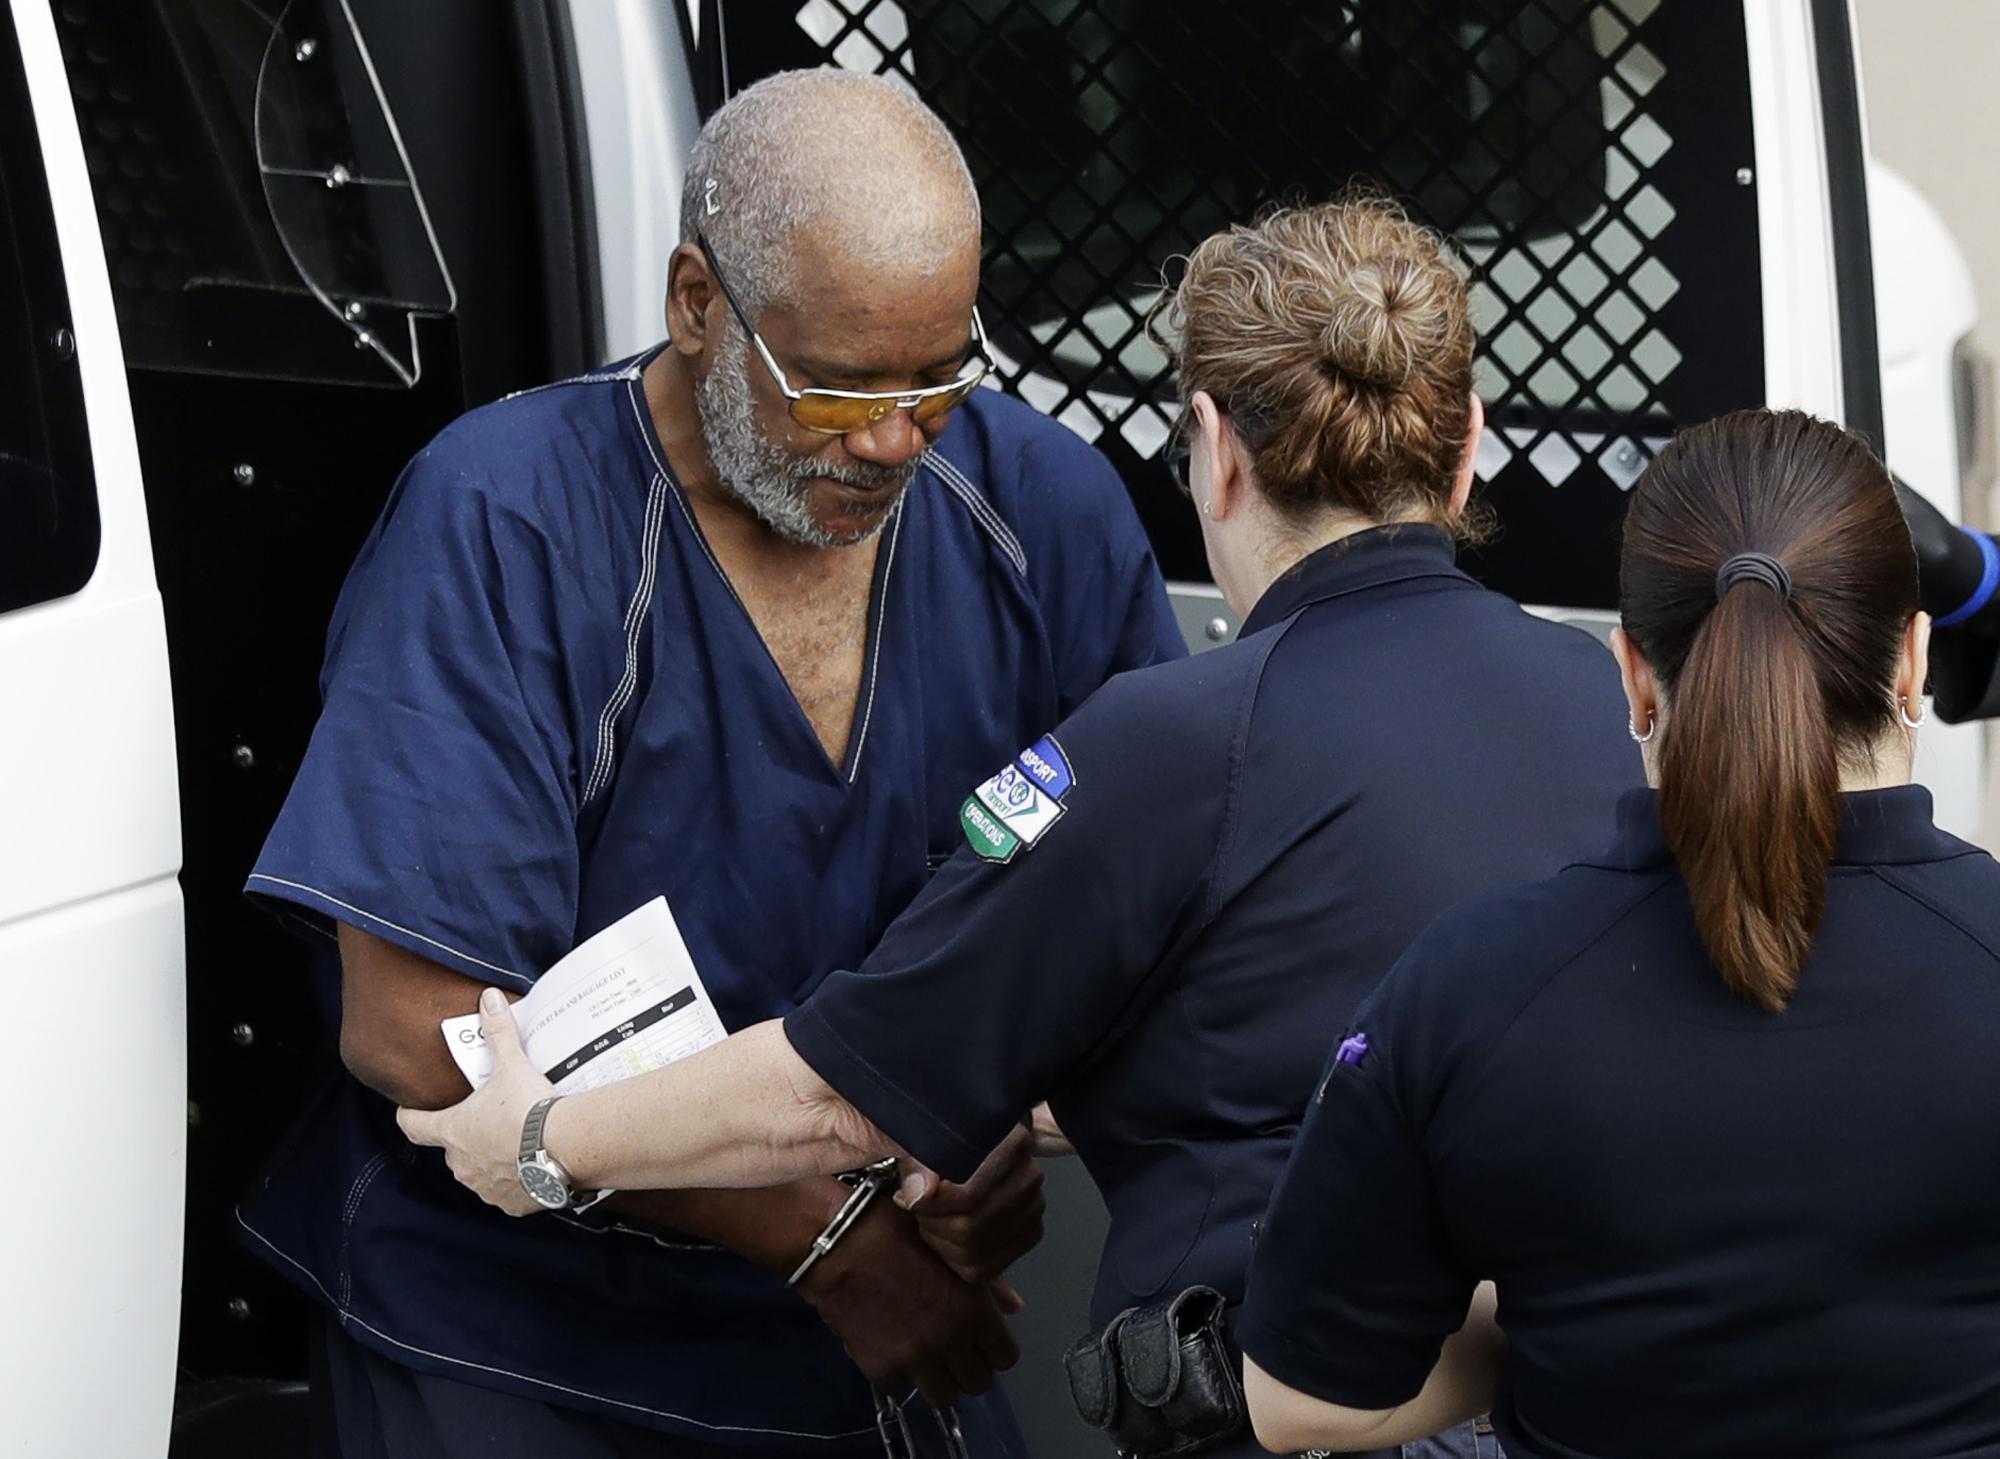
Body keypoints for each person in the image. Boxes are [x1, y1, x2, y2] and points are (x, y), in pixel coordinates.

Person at [398, 197, 1641, 1459]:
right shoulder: (1615, 714)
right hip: (1585, 1393)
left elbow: (841, 1091)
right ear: (1471, 442)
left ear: (1212, 447)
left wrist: (541, 1140)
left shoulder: (1165, 742)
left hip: (1309, 1405)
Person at [239, 69, 1184, 1459]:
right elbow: (423, 1029)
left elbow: (1150, 897)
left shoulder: (1033, 509)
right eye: (836, 389)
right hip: (520, 1322)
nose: (890, 441)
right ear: (697, 302)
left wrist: (979, 1126)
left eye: (936, 381)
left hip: (878, 1315)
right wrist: (828, 1238)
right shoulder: (508, 517)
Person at [1232, 408, 2000, 1459]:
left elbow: (1299, 1401)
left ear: (1633, 674)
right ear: (1909, 662)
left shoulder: (1470, 988)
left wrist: (1553, 1321)